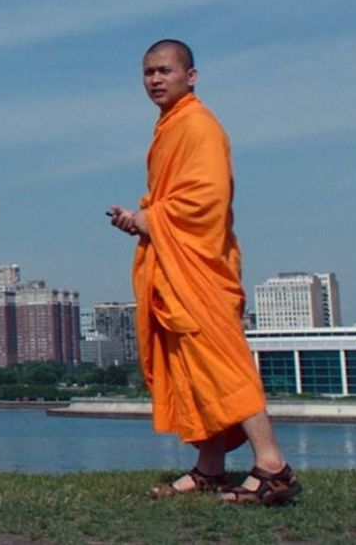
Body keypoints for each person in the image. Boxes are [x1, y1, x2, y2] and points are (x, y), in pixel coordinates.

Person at [108, 39, 301, 506]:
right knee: (197, 370)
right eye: (148, 72)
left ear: (190, 76)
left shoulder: (198, 125)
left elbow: (208, 199)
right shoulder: (171, 126)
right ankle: (210, 469)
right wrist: (141, 220)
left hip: (201, 265)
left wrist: (150, 219)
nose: (155, 79)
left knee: (224, 365)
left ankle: (272, 466)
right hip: (179, 264)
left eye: (165, 71)